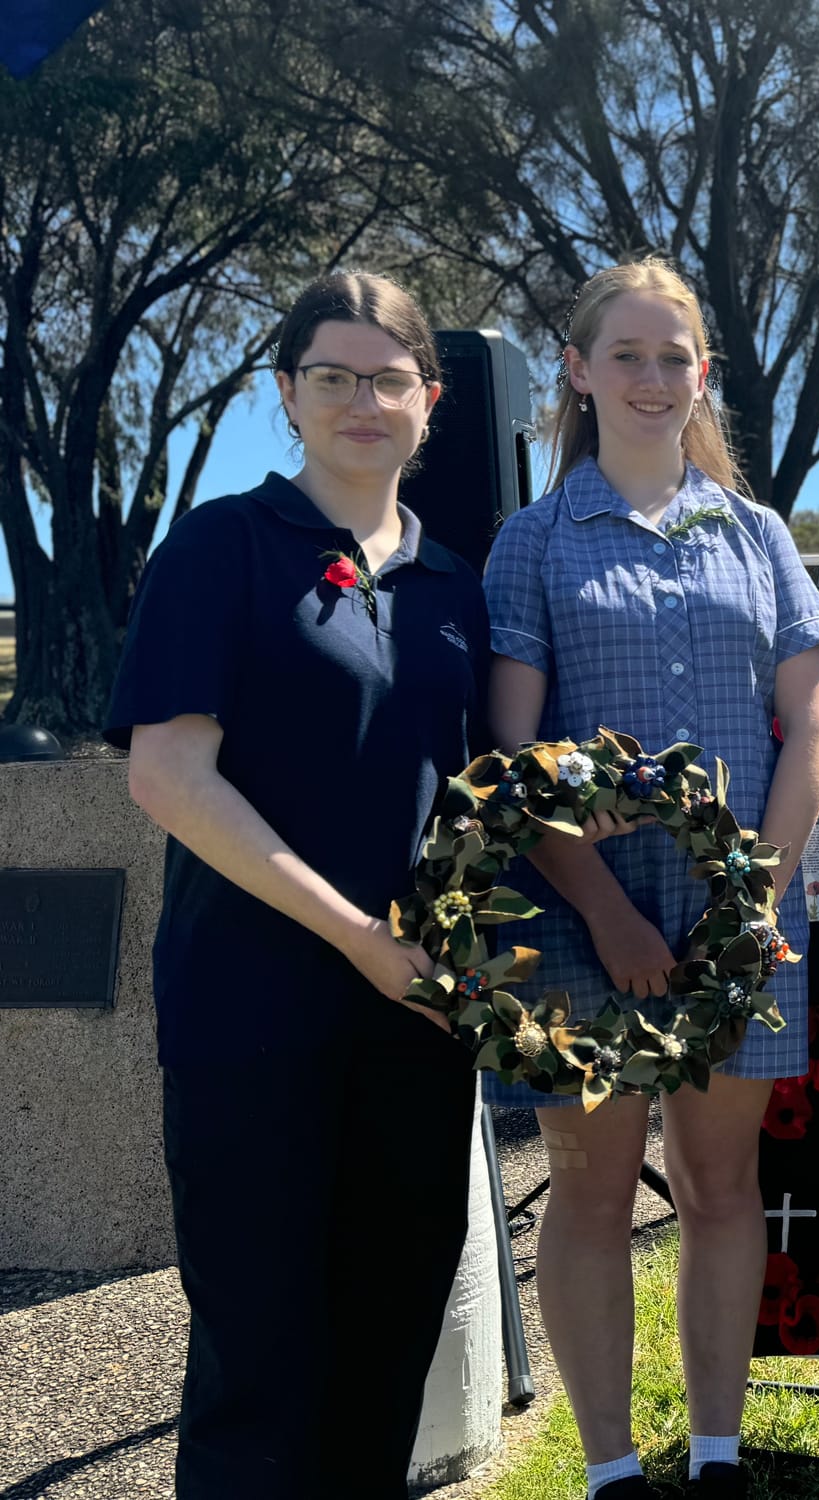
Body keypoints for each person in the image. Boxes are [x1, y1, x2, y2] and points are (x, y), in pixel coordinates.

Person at [106, 273, 487, 1498]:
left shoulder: (456, 588)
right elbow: (169, 778)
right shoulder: (221, 548)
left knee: (386, 1350)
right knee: (259, 1364)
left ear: (428, 401)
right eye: (332, 376)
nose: (361, 401)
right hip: (249, 1020)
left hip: (417, 1027)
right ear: (286, 394)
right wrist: (356, 936)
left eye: (388, 379)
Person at [481, 258, 819, 1500]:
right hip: (584, 926)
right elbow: (513, 758)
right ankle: (610, 1470)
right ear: (577, 372)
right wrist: (609, 910)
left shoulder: (759, 536)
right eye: (624, 355)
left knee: (720, 1185)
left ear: (703, 374)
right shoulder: (530, 543)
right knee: (586, 1189)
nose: (650, 378)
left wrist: (755, 896)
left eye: (671, 356)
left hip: (740, 924)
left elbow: (813, 724)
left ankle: (716, 1454)